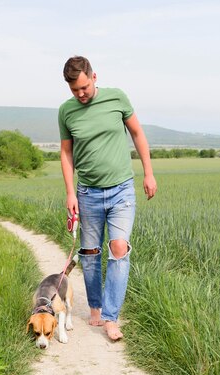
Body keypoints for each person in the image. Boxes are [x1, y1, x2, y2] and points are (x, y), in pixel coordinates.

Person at [58, 56, 157, 341]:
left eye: (84, 87)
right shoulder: (66, 112)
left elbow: (137, 133)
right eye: (74, 90)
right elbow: (66, 153)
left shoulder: (117, 98)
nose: (81, 94)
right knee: (90, 254)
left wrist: (148, 173)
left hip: (121, 190)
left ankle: (112, 317)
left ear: (94, 77)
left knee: (118, 247)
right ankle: (95, 307)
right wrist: (69, 192)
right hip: (88, 192)